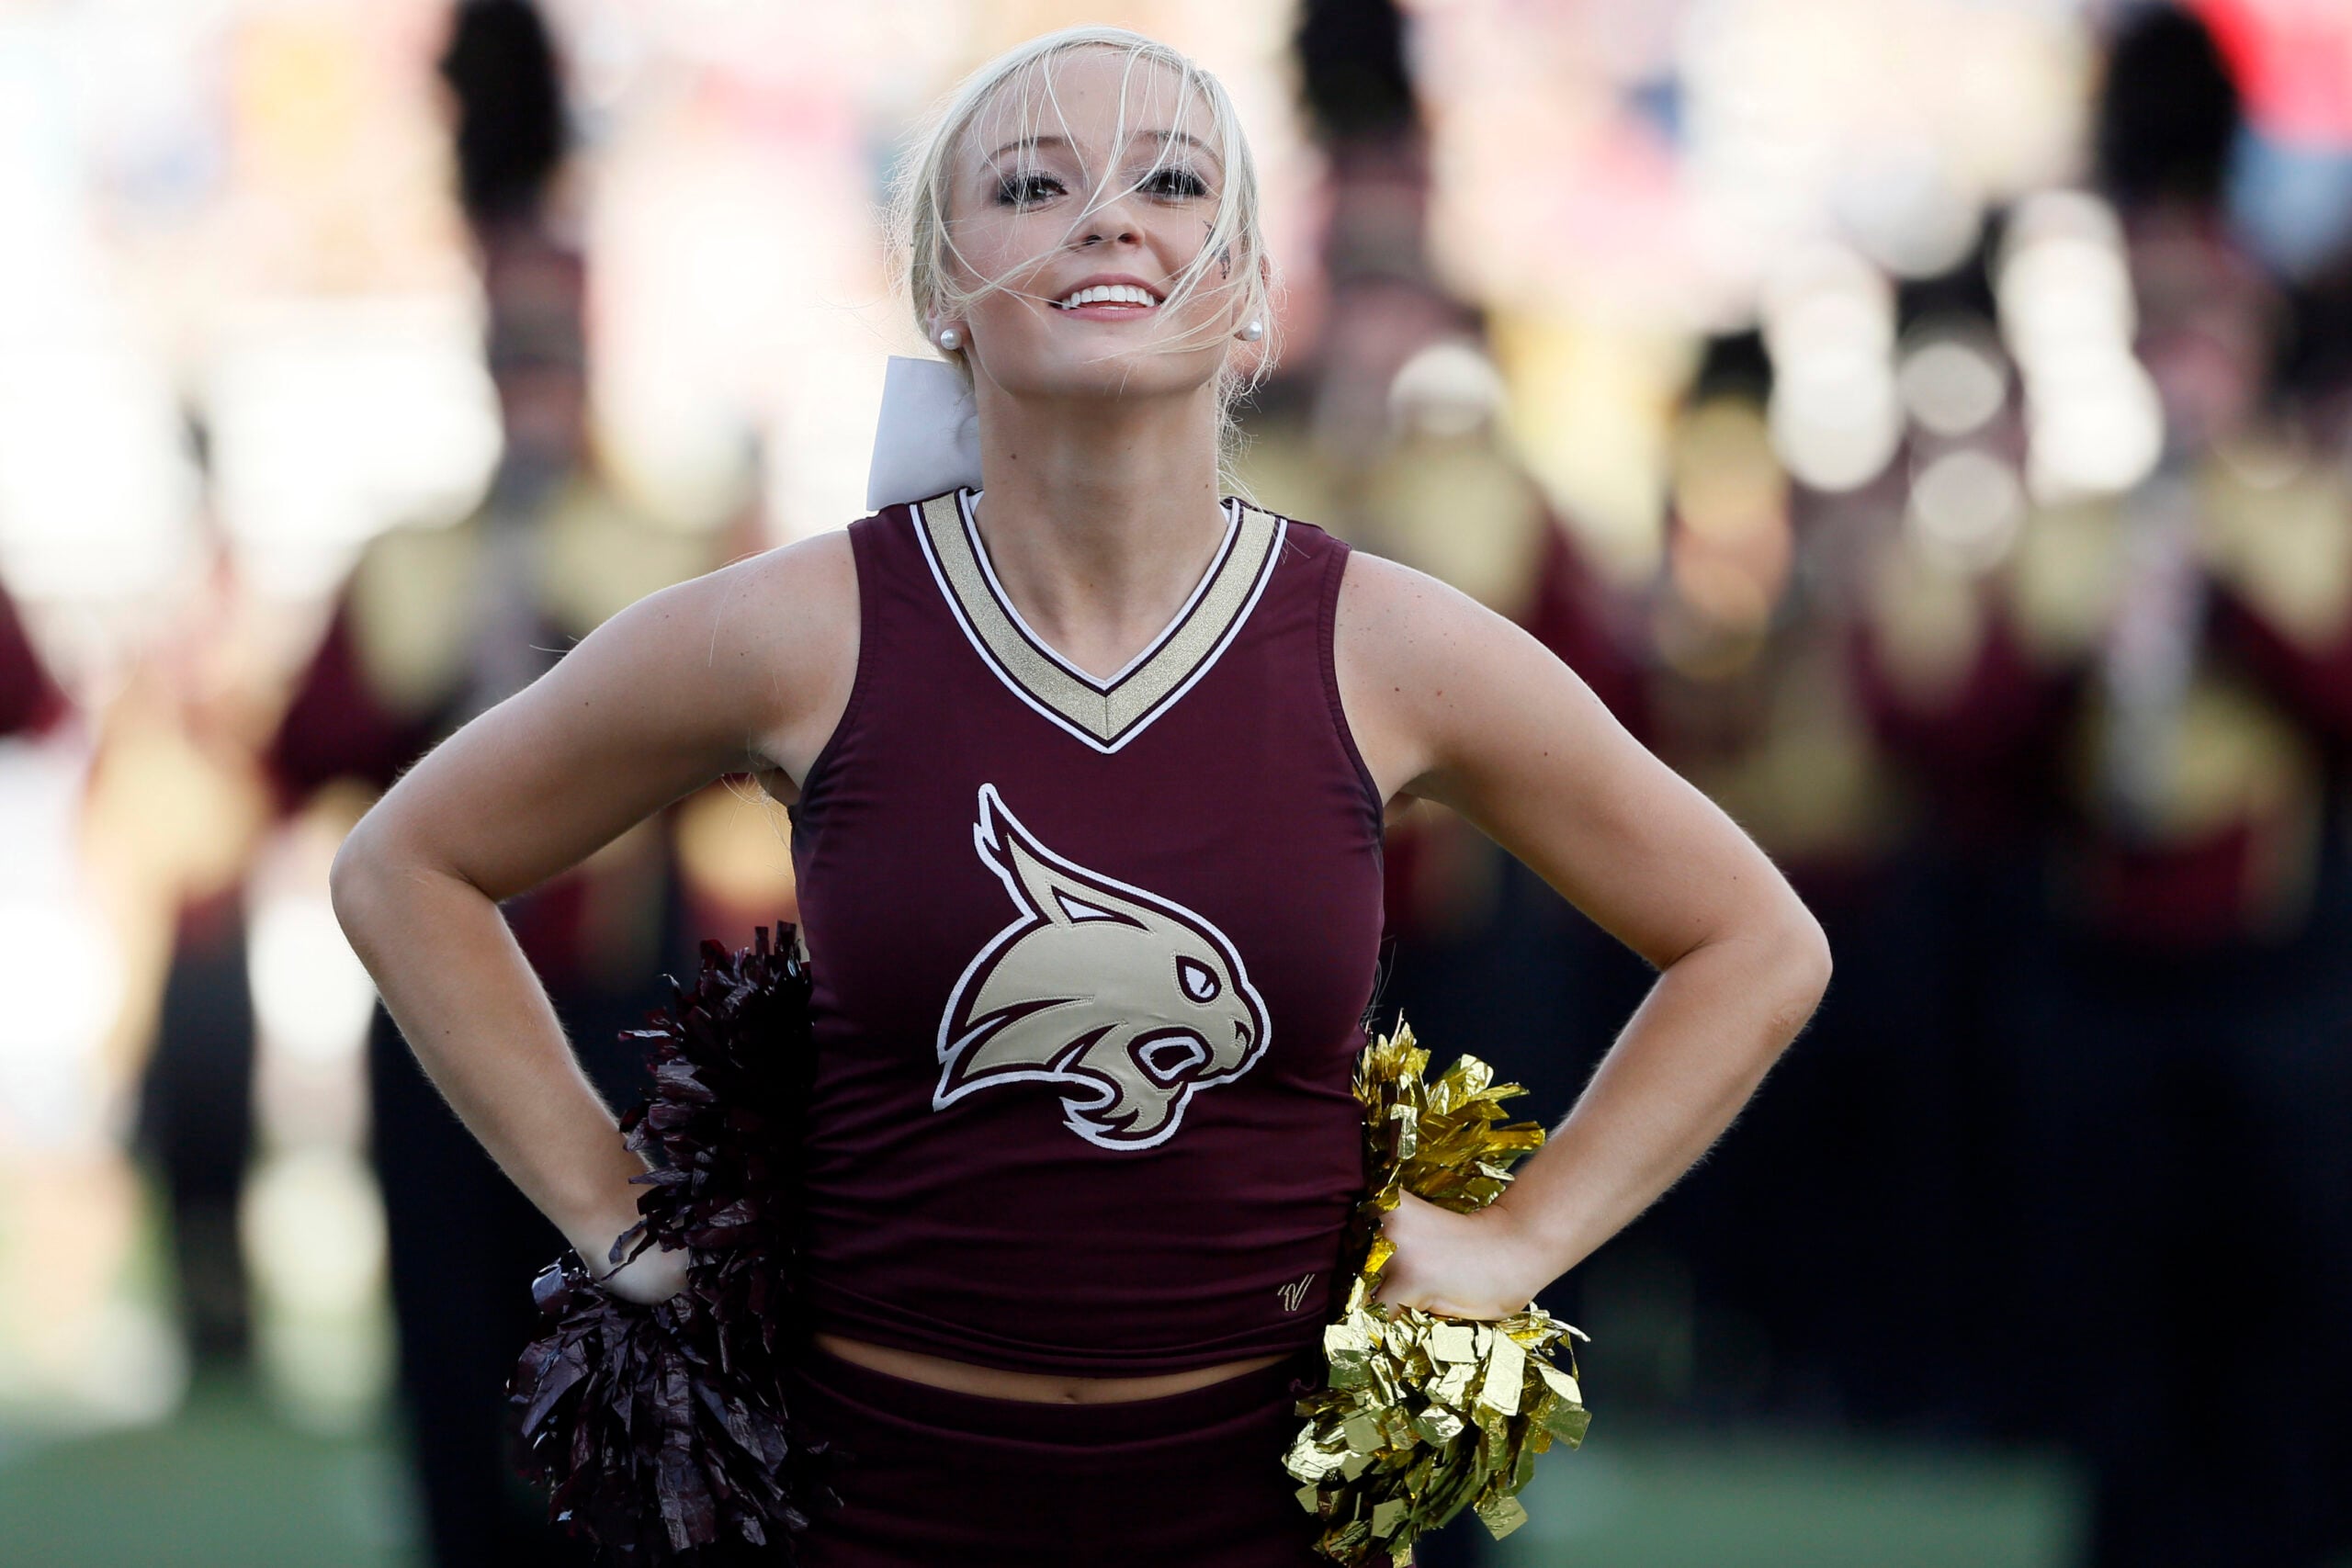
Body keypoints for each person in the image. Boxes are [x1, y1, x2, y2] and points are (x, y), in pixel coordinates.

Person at [327, 27, 1831, 1565]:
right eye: (1034, 183)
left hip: (1269, 1513)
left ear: (1248, 295)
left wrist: (1520, 1240)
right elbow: (408, 866)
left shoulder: (1391, 643)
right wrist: (614, 1219)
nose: (1110, 217)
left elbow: (1754, 943)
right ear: (939, 292)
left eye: (1173, 182)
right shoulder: (797, 627)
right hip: (874, 1510)